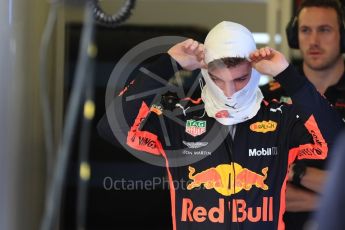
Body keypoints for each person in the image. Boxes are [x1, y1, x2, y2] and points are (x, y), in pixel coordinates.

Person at [97, 21, 343, 230]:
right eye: (218, 80)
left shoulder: (281, 118)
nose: (230, 91)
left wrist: (288, 76)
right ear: (205, 74)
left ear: (255, 71)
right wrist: (168, 64)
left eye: (240, 79)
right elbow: (111, 127)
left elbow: (338, 143)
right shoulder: (179, 118)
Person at [260, 0, 345, 229]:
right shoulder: (267, 97)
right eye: (305, 30)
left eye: (324, 30)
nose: (314, 41)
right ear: (294, 36)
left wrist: (298, 174)